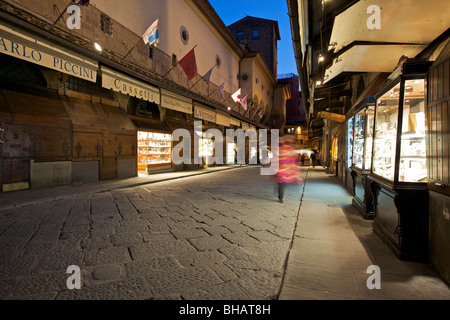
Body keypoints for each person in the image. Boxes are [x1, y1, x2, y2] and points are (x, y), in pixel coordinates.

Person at [274, 135, 303, 203]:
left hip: (285, 171)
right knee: (281, 184)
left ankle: (280, 196)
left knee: (282, 184)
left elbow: (293, 159)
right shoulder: (280, 149)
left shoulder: (287, 149)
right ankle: (280, 197)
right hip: (280, 170)